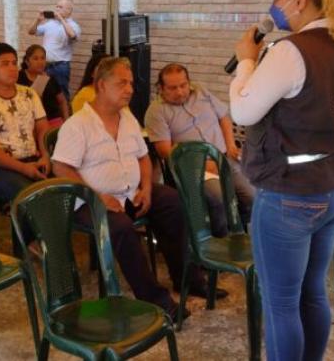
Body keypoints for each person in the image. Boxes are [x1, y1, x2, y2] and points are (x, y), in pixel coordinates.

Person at [229, 0, 334, 361]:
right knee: (312, 292)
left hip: (290, 195)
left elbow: (243, 112)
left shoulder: (292, 51)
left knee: (280, 304)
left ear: (298, 1)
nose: (274, 4)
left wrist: (245, 59)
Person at [52, 57, 223, 320]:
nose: (130, 89)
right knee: (120, 228)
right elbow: (61, 168)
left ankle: (188, 278)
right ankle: (156, 300)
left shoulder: (127, 117)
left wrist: (146, 187)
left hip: (130, 192)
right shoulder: (78, 125)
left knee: (173, 202)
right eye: (122, 83)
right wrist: (97, 197)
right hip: (89, 202)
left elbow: (144, 157)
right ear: (101, 85)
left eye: (131, 83)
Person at [144, 63, 255, 237]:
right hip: (193, 169)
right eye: (172, 88)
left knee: (252, 196)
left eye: (183, 85)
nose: (180, 92)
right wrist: (201, 165)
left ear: (189, 82)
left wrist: (231, 145)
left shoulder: (201, 92)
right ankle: (220, 245)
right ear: (161, 88)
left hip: (223, 157)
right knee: (219, 198)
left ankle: (237, 233)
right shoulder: (156, 111)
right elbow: (165, 150)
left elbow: (224, 117)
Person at [0, 43, 50, 206]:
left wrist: (46, 155)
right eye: (5, 64)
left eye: (14, 63)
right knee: (32, 198)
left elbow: (43, 128)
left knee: (65, 188)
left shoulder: (29, 94)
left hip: (34, 158)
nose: (13, 68)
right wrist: (23, 168)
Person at [27, 0, 81, 100]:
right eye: (56, 6)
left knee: (62, 94)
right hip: (45, 66)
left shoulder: (73, 25)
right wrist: (37, 20)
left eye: (60, 7)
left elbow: (72, 35)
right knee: (44, 93)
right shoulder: (50, 24)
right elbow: (30, 31)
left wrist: (61, 19)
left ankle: (65, 115)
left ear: (69, 10)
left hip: (60, 67)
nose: (57, 9)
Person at [17, 45, 69, 128]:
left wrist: (66, 122)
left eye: (43, 58)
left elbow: (62, 101)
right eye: (35, 58)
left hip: (53, 120)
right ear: (27, 61)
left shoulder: (50, 78)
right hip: (29, 123)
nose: (40, 62)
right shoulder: (19, 78)